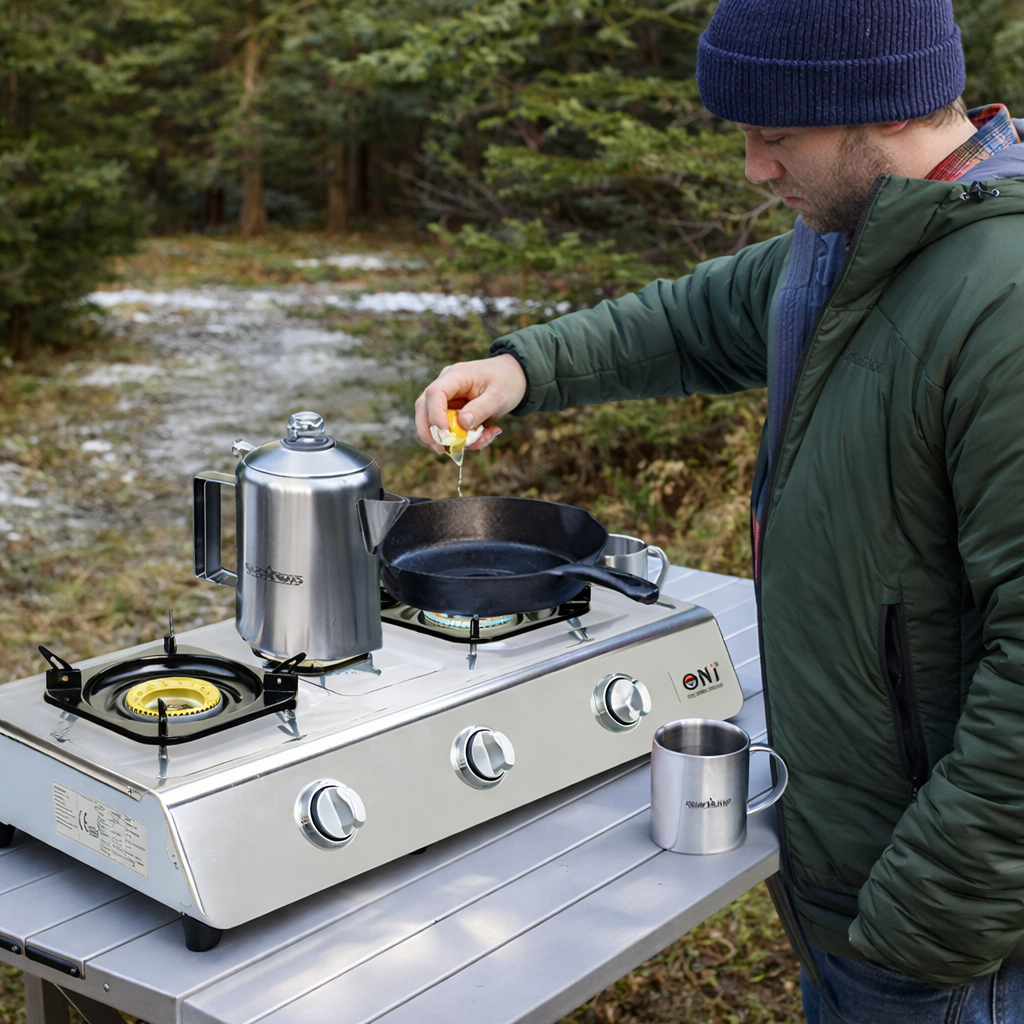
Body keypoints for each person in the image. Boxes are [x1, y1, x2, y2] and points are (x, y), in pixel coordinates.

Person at [414, 0, 1024, 1020]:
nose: (751, 167)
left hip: (939, 934)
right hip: (849, 871)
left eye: (774, 137)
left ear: (875, 110)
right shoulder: (849, 242)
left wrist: (921, 926)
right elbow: (697, 318)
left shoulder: (997, 297)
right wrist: (523, 368)